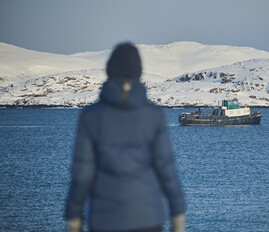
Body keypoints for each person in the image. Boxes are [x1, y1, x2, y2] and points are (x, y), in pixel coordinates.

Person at [65, 42, 186, 232]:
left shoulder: (91, 115)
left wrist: (73, 213)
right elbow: (166, 168)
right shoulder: (154, 115)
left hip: (104, 219)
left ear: (109, 70)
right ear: (139, 71)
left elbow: (82, 172)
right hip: (148, 218)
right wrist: (177, 211)